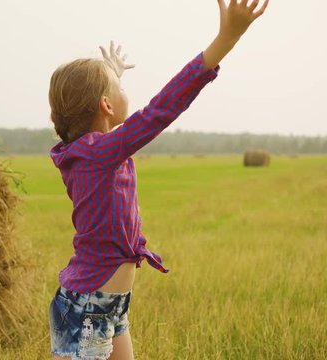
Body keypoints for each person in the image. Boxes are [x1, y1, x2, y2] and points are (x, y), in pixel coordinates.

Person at [47, 1, 269, 358]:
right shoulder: (99, 153)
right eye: (116, 86)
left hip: (108, 305)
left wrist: (109, 77)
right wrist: (225, 40)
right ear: (105, 104)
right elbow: (161, 110)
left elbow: (114, 112)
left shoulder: (90, 152)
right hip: (88, 308)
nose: (124, 90)